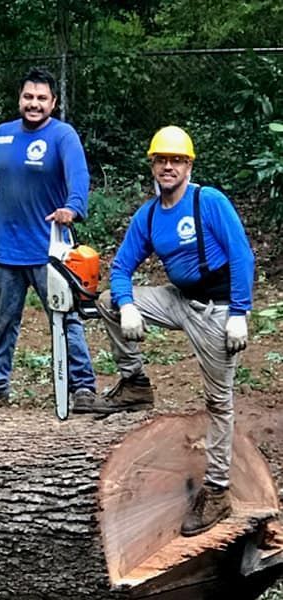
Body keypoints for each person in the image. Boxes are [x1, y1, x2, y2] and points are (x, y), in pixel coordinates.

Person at [78, 125, 254, 537]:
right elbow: (121, 268)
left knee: (218, 401)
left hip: (218, 308)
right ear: (153, 165)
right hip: (179, 298)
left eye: (176, 160)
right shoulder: (151, 214)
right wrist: (127, 306)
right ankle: (134, 382)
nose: (168, 167)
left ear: (188, 165)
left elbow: (241, 254)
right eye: (162, 160)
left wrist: (239, 312)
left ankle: (217, 490)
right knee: (106, 301)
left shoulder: (207, 201)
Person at [0, 67, 97, 408]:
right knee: (4, 320)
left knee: (66, 319)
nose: (34, 104)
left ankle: (82, 387)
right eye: (28, 97)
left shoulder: (63, 136)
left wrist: (72, 208)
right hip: (7, 248)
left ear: (54, 102)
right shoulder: (3, 134)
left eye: (41, 99)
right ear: (20, 98)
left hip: (51, 250)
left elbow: (78, 178)